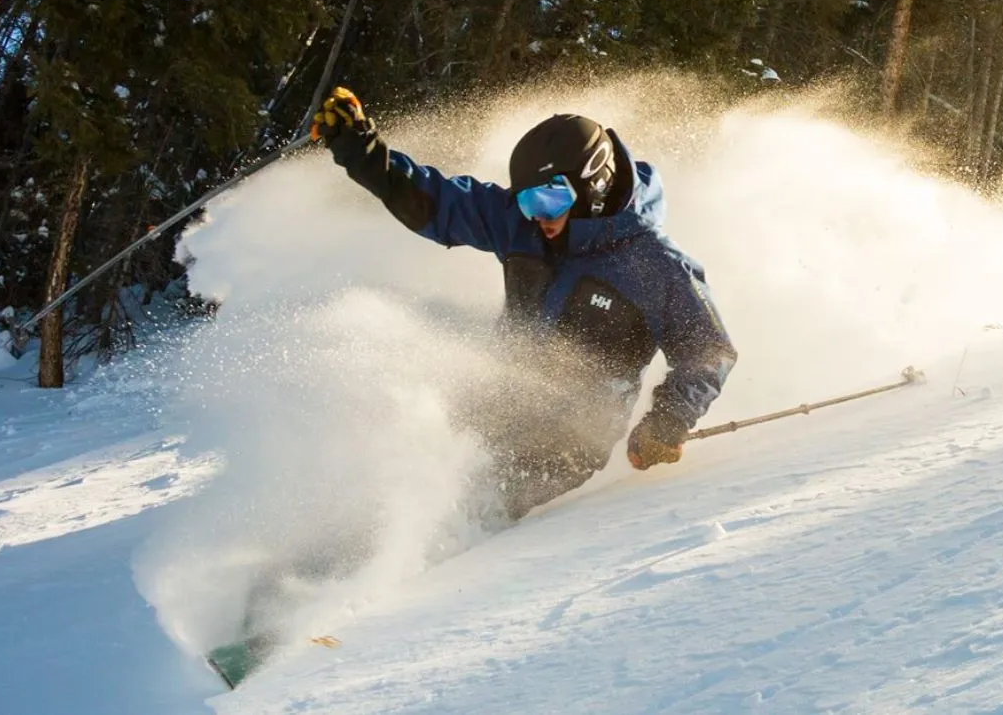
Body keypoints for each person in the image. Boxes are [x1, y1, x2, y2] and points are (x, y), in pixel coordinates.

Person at [308, 88, 735, 520]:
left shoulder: (653, 264)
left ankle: (431, 548)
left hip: (566, 443)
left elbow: (708, 349)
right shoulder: (524, 226)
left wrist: (668, 421)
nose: (538, 216)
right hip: (497, 401)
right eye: (527, 201)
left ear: (594, 185)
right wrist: (361, 150)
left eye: (549, 200)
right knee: (405, 467)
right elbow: (437, 202)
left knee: (463, 507)